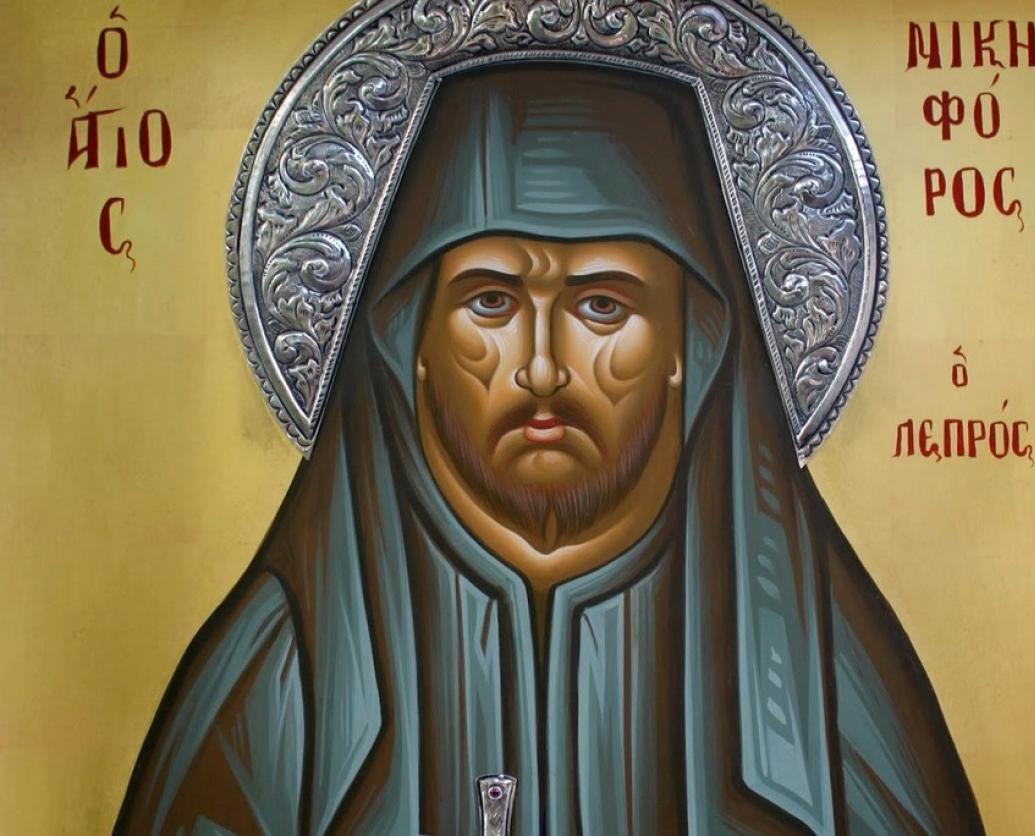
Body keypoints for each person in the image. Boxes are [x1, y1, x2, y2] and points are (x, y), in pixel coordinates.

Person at [116, 65, 983, 835]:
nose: (540, 367)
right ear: (410, 339)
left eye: (602, 306)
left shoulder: (816, 663)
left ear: (690, 344)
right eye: (491, 302)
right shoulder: (288, 656)